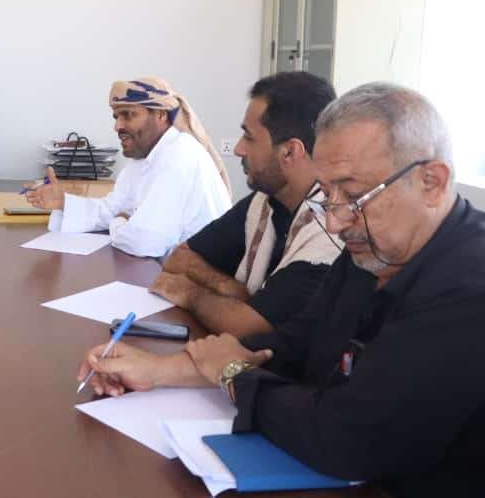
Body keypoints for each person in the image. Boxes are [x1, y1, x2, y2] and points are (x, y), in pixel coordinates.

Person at [77, 83, 485, 497]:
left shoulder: (469, 285)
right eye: (328, 195)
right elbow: (295, 345)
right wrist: (159, 370)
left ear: (431, 182)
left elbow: (348, 438)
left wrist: (233, 375)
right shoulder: (374, 251)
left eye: (354, 196)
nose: (336, 222)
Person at [151, 72, 340, 337]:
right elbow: (179, 258)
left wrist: (189, 292)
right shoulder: (265, 201)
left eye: (249, 138)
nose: (238, 149)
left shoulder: (331, 229)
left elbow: (247, 327)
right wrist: (229, 288)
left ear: (290, 151)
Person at [26, 76, 231, 257]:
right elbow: (114, 208)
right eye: (116, 117)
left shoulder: (181, 153)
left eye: (128, 115)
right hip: (163, 270)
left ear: (161, 115)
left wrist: (119, 223)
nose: (117, 126)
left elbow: (144, 242)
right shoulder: (143, 156)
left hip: (198, 280)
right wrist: (64, 202)